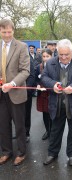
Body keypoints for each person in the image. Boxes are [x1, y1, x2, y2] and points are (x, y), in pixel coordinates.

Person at [41, 39, 72, 166]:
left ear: (71, 52)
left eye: (66, 55)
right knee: (55, 130)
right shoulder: (50, 62)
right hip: (56, 104)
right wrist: (53, 85)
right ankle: (52, 153)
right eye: (60, 54)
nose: (63, 57)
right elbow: (44, 77)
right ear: (57, 51)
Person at [0, 19, 30, 166]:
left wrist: (11, 84)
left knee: (19, 125)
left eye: (9, 31)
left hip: (16, 92)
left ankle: (21, 153)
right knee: (3, 125)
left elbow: (25, 71)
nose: (6, 35)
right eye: (3, 31)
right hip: (1, 94)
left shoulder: (22, 47)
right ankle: (6, 152)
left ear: (13, 31)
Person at [36, 48, 52, 140]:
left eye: (47, 56)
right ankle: (47, 131)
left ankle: (53, 131)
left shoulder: (55, 66)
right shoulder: (39, 67)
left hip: (52, 93)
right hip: (42, 94)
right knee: (45, 113)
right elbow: (36, 79)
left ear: (51, 56)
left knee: (52, 113)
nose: (45, 58)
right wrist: (38, 85)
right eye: (44, 56)